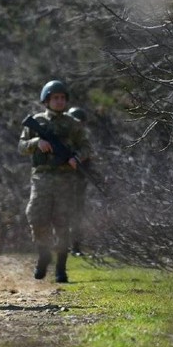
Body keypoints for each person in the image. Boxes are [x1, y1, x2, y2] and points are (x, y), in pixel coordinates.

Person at [18, 80, 91, 283]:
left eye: (62, 98)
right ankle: (43, 254)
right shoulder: (37, 121)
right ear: (46, 100)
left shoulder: (73, 124)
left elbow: (86, 147)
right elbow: (21, 146)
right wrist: (36, 142)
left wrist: (77, 158)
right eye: (55, 98)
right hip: (41, 177)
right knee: (36, 217)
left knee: (62, 223)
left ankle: (61, 267)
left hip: (66, 179)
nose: (59, 101)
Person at [67, 106, 91, 257]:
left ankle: (75, 246)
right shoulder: (64, 140)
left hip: (78, 183)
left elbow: (87, 161)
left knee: (77, 215)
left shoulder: (83, 142)